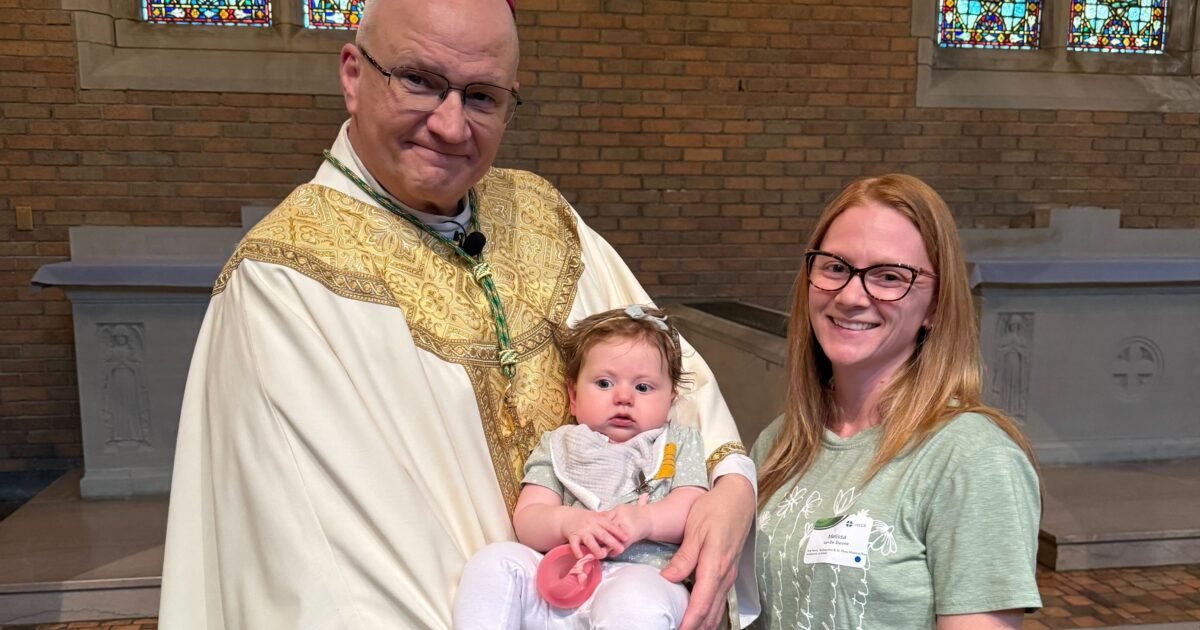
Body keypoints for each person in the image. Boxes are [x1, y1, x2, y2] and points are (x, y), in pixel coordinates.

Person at [157, 0, 757, 628]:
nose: (450, 126)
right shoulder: (284, 279)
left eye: (482, 96)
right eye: (419, 80)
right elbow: (336, 575)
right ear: (353, 75)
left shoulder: (542, 214)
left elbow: (670, 376)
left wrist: (732, 485)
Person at [749, 174, 1042, 629]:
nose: (851, 296)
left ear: (935, 307)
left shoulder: (972, 459)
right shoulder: (779, 443)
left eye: (889, 277)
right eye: (835, 267)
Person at [455, 305, 709, 628]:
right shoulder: (558, 444)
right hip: (559, 581)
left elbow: (691, 509)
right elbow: (528, 518)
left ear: (670, 400)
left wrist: (646, 521)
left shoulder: (678, 442)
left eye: (643, 387)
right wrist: (568, 522)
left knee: (634, 601)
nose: (624, 397)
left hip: (643, 574)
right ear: (573, 396)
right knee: (494, 562)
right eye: (604, 383)